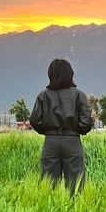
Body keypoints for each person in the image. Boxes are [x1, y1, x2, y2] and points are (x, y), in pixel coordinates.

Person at [29, 58, 95, 194]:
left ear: (50, 74)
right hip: (72, 142)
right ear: (70, 74)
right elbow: (85, 123)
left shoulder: (43, 95)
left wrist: (46, 131)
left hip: (50, 142)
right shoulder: (79, 95)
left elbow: (34, 119)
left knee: (48, 186)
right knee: (75, 186)